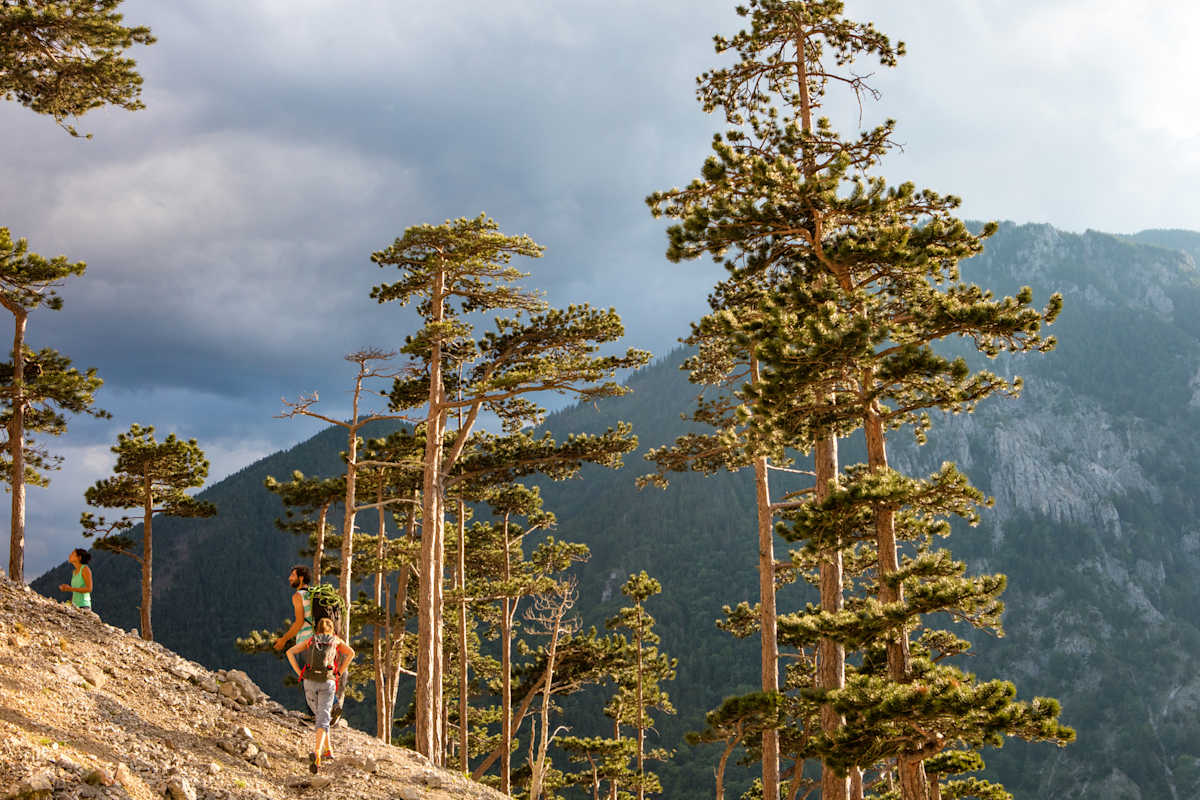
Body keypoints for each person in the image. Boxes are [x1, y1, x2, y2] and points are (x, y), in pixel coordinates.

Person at [286, 616, 354, 773]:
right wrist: (339, 672)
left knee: (321, 716)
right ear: (331, 630)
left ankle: (328, 749)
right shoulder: (336, 641)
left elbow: (290, 652)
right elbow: (351, 653)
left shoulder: (311, 640)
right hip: (327, 681)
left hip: (309, 681)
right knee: (323, 717)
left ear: (317, 629)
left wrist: (300, 673)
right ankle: (317, 753)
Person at [273, 565, 312, 652]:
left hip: (306, 642)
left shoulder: (298, 596)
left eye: (293, 575)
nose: (289, 578)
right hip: (323, 641)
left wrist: (283, 640)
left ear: (301, 578)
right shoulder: (314, 594)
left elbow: (299, 622)